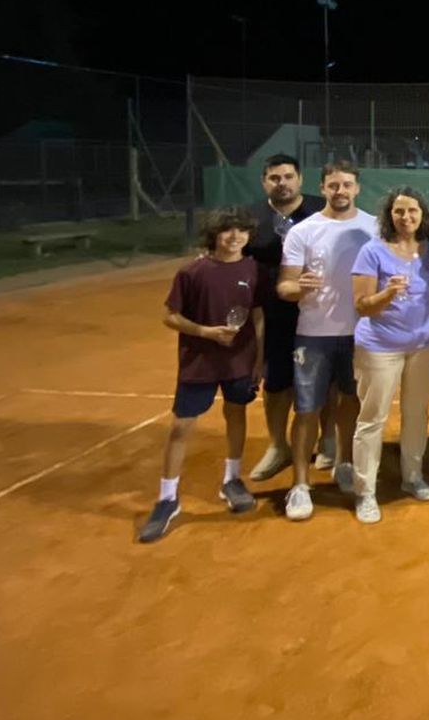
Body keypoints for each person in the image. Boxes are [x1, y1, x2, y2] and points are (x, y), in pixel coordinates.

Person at [138, 207, 265, 543]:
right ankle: (167, 499)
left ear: (249, 236)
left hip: (240, 361)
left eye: (241, 231)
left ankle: (232, 480)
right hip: (199, 362)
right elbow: (170, 317)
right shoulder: (192, 272)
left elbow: (258, 318)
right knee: (181, 427)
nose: (234, 237)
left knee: (236, 415)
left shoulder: (253, 269)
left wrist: (259, 361)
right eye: (227, 231)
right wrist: (206, 332)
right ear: (214, 235)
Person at [276, 161, 377, 521]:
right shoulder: (303, 231)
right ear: (323, 187)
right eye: (333, 185)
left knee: (351, 403)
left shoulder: (373, 227)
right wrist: (296, 287)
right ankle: (300, 485)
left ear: (357, 188)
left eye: (347, 185)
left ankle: (345, 463)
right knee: (306, 410)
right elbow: (284, 285)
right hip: (313, 335)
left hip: (360, 334)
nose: (340, 191)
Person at [348, 186, 429, 524]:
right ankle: (366, 492)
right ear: (389, 216)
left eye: (412, 211)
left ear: (423, 215)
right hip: (379, 348)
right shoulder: (372, 252)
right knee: (372, 419)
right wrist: (388, 293)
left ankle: (412, 477)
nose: (406, 217)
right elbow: (361, 306)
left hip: (425, 346)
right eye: (399, 212)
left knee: (416, 414)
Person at [243, 154, 324, 482]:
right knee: (276, 382)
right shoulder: (251, 218)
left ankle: (328, 442)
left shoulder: (321, 210)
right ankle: (278, 446)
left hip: (321, 311)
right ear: (264, 182)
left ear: (300, 179)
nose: (283, 183)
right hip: (273, 314)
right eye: (275, 178)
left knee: (327, 380)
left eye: (288, 176)